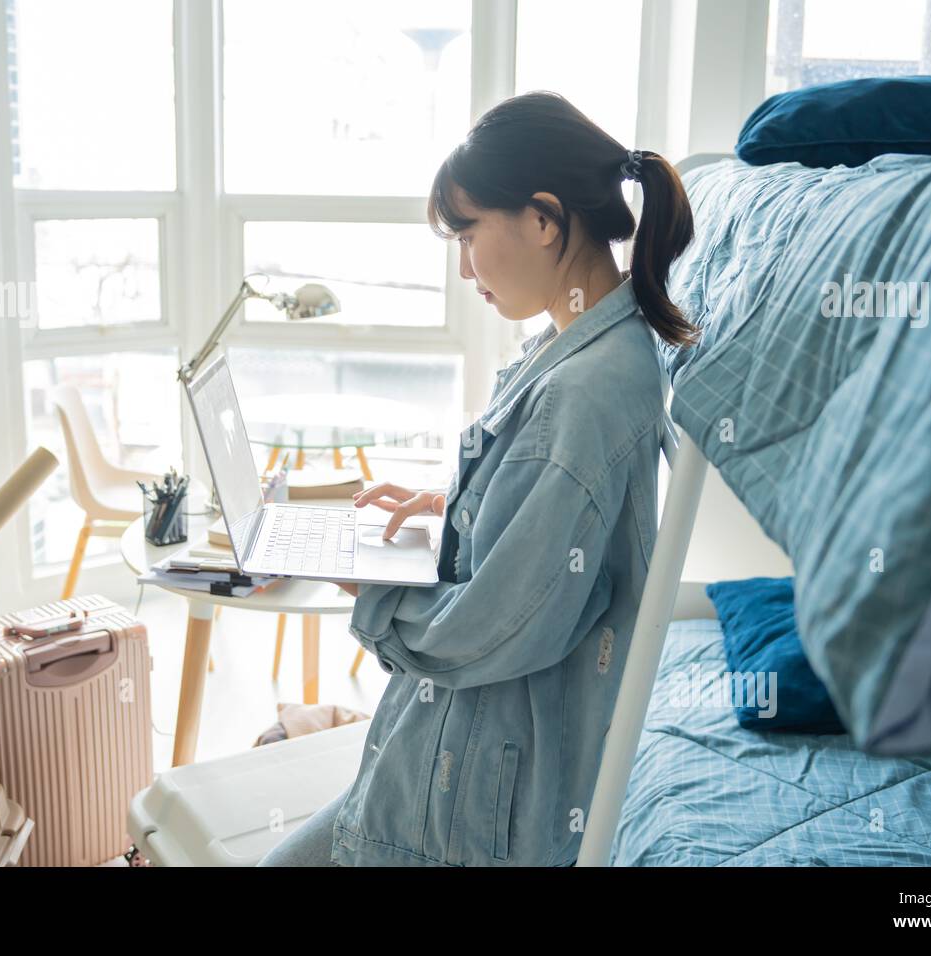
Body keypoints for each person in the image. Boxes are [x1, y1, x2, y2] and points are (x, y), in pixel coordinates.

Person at [258, 90, 697, 867]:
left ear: (542, 219)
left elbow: (492, 631)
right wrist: (457, 502)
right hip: (461, 755)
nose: (463, 269)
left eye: (467, 235)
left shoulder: (584, 391)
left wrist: (370, 589)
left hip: (479, 804)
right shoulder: (579, 347)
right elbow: (561, 525)